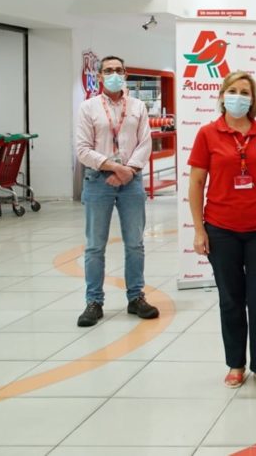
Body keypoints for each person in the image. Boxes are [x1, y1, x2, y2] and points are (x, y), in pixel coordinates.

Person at [188, 71, 256, 388]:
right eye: (233, 90)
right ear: (222, 95)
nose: (239, 96)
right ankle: (235, 363)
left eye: (245, 91)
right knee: (231, 299)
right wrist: (199, 230)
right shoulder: (207, 134)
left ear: (253, 99)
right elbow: (196, 183)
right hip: (221, 229)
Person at [74, 55, 159, 327]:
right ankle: (93, 302)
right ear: (99, 76)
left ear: (125, 74)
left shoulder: (137, 106)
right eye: (108, 70)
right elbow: (82, 149)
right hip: (98, 181)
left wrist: (128, 171)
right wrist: (112, 167)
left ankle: (136, 298)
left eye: (118, 70)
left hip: (131, 181)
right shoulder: (88, 108)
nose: (114, 74)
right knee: (95, 246)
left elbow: (145, 143)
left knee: (135, 243)